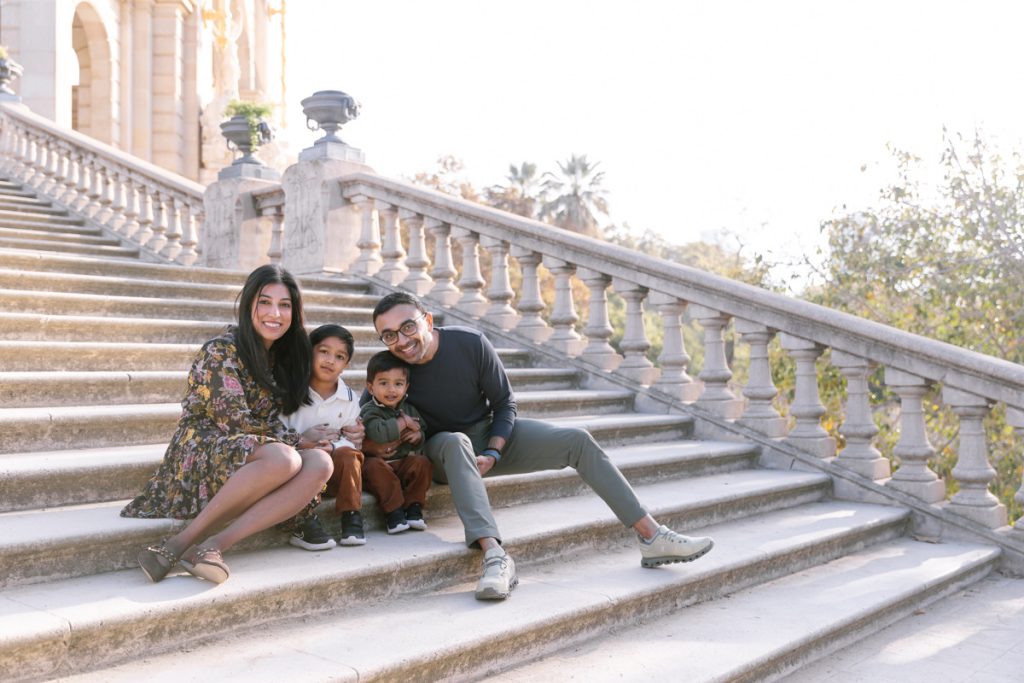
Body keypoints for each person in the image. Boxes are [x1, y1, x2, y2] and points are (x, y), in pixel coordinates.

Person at [364, 292, 714, 601]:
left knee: (577, 440)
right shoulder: (391, 369)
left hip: (490, 437)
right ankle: (495, 556)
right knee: (456, 442)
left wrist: (495, 451)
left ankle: (652, 536)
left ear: (426, 319)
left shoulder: (469, 344)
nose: (401, 340)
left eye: (408, 327)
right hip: (444, 451)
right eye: (389, 335)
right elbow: (366, 416)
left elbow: (505, 404)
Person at [122, 264, 334, 584]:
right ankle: (177, 543)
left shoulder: (282, 359)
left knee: (320, 463)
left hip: (251, 452)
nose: (274, 313)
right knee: (285, 457)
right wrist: (296, 439)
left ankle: (212, 547)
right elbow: (235, 422)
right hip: (202, 448)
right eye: (264, 302)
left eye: (284, 304)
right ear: (248, 303)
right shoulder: (220, 350)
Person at [282, 324, 368, 547]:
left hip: (333, 475)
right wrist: (303, 439)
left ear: (346, 364)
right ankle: (304, 522)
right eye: (324, 351)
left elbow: (353, 440)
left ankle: (351, 516)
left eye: (339, 356)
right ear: (309, 352)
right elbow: (272, 430)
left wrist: (333, 447)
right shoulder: (290, 390)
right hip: (297, 471)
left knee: (349, 454)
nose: (330, 360)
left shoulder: (349, 399)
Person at [359, 351, 433, 534]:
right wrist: (403, 423)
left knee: (422, 463)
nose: (391, 390)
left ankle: (414, 509)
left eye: (398, 384)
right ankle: (394, 513)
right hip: (377, 465)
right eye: (384, 383)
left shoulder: (409, 409)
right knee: (373, 467)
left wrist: (418, 438)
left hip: (401, 463)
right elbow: (378, 434)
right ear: (370, 387)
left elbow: (420, 429)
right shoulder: (369, 411)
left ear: (406, 387)